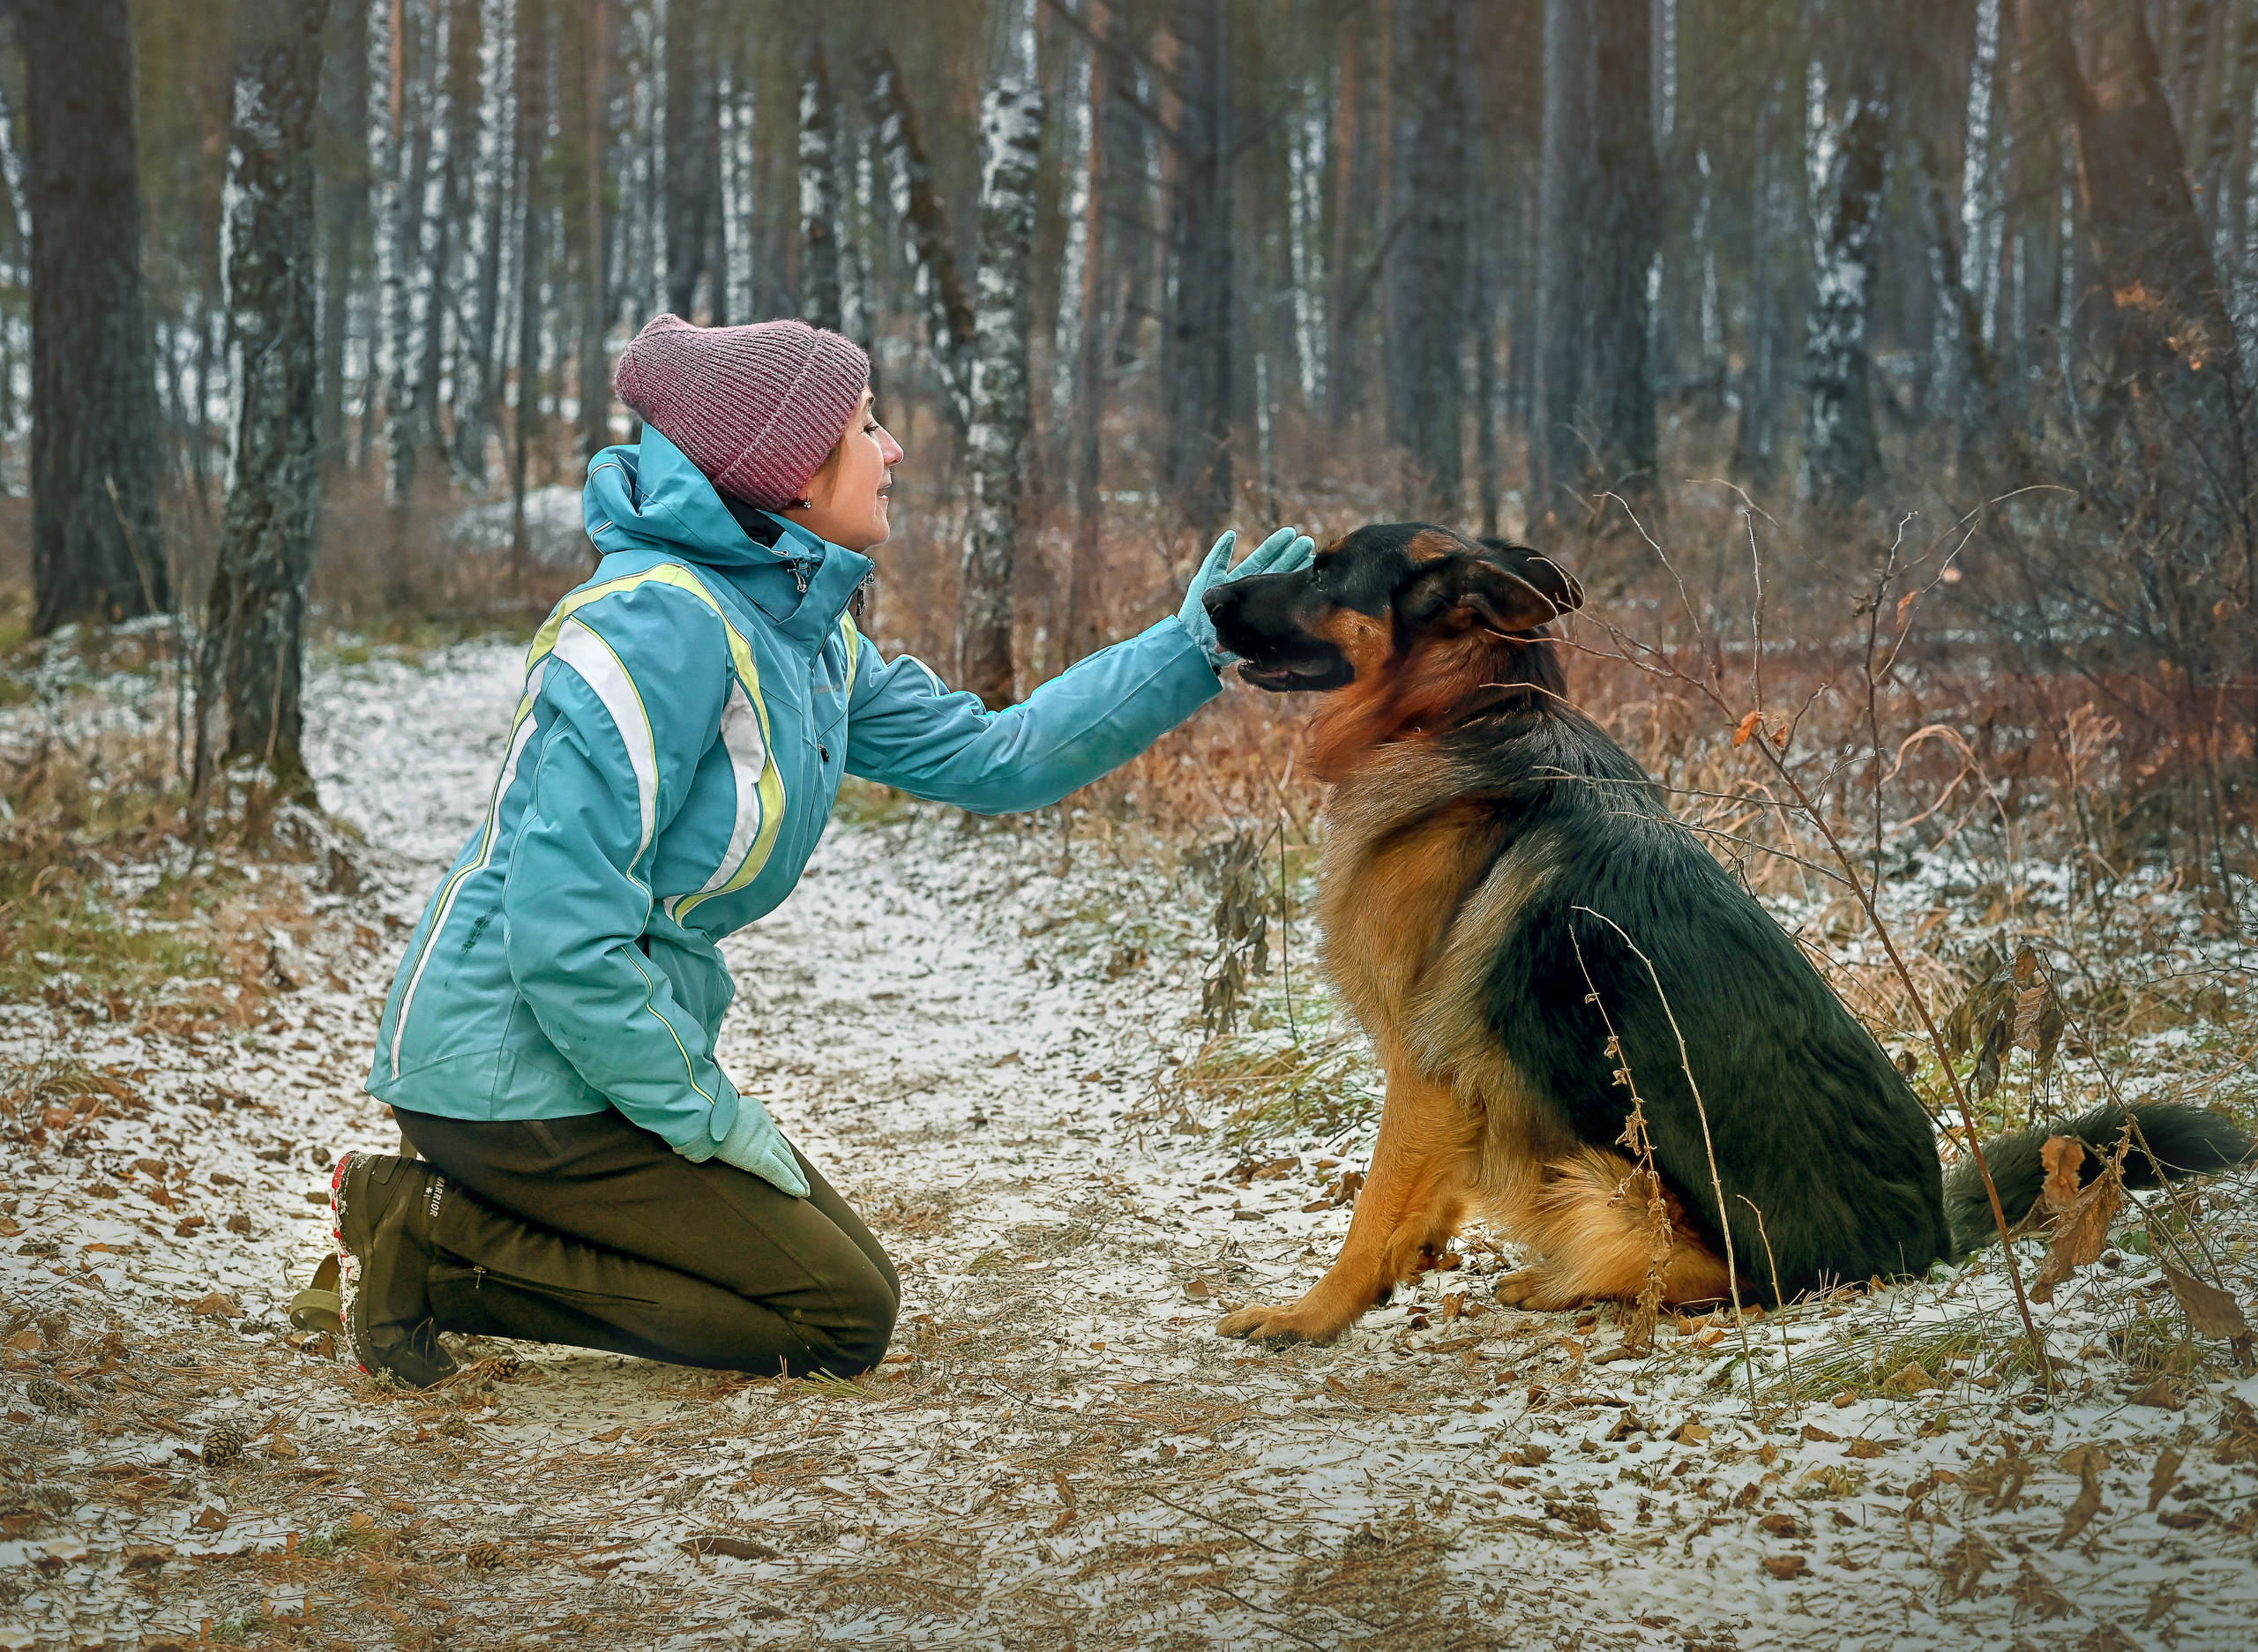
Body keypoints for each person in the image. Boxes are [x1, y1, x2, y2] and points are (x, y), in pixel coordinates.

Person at [324, 313, 1312, 1387]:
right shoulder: (654, 626)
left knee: (838, 1287)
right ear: (789, 475)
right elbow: (559, 932)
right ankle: (421, 1228)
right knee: (838, 1317)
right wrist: (705, 1112)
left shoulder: (797, 630)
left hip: (595, 1055)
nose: (892, 451)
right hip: (503, 1074)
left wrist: (1189, 646)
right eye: (865, 426)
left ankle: (431, 1236)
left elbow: (997, 756)